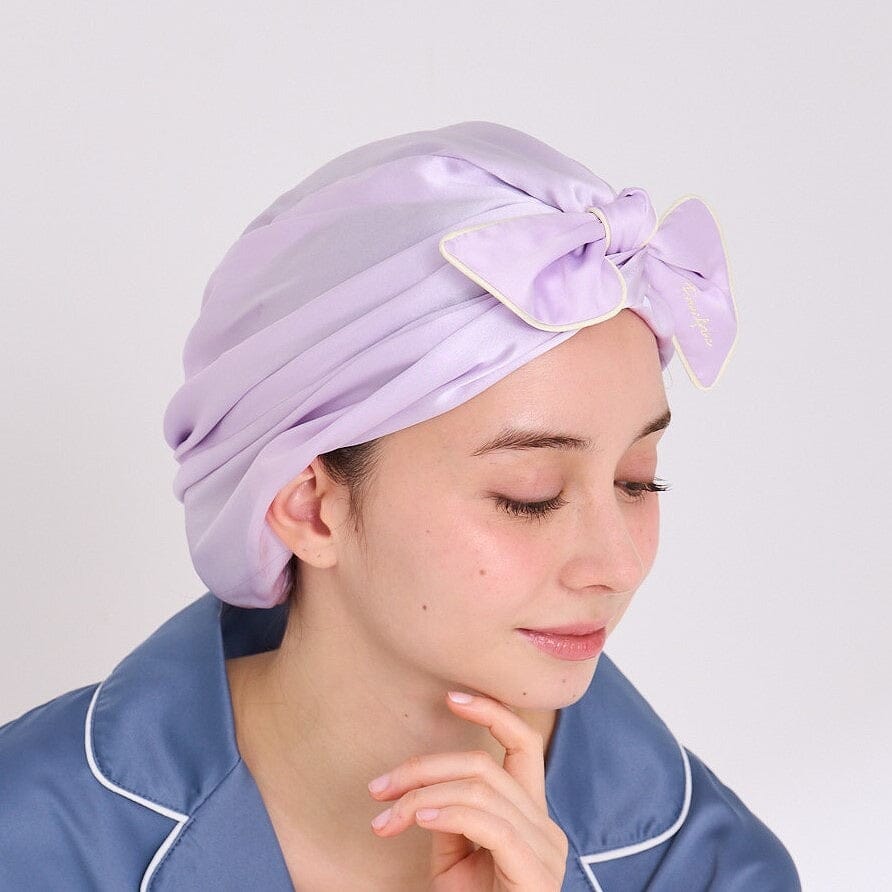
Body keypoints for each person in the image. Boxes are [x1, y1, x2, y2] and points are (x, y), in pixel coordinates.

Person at [0, 121, 802, 890]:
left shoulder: (717, 872)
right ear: (310, 508)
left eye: (637, 481)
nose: (618, 564)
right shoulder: (27, 830)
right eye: (529, 495)